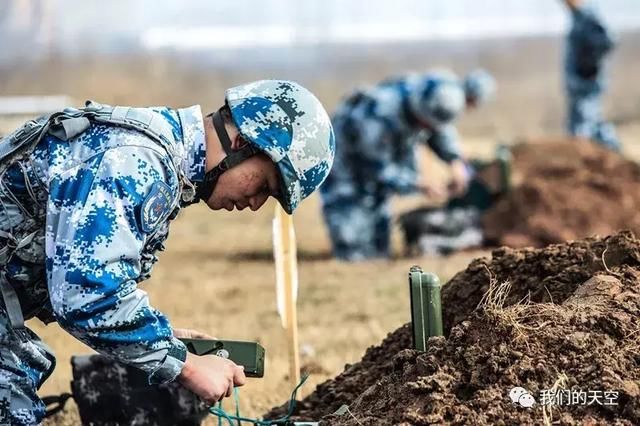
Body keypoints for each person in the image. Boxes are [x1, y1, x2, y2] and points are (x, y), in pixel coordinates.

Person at [0, 79, 335, 424]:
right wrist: (186, 366)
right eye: (264, 185)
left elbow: (91, 284)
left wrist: (164, 338)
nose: (256, 204)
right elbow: (85, 294)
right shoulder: (133, 161)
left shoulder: (160, 158)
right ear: (240, 143)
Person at [319, 69, 495, 261]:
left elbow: (439, 131)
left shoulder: (434, 97)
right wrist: (419, 184)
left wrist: (455, 161)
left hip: (378, 172)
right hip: (348, 170)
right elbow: (377, 167)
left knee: (379, 247)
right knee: (355, 249)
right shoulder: (378, 114)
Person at [563, 0, 619, 150]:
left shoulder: (588, 15)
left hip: (586, 83)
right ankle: (615, 155)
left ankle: (608, 159)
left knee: (582, 129)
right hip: (578, 85)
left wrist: (589, 66)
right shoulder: (577, 17)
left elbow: (607, 40)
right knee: (593, 125)